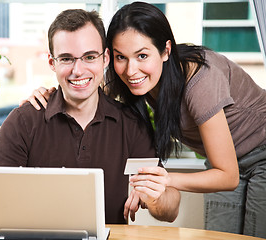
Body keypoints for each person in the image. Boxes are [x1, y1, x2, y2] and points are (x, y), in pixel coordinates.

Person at [25, 2, 266, 238]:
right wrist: (50, 95)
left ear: (166, 51)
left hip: (261, 154)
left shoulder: (200, 80)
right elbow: (85, 94)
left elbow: (228, 175)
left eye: (142, 55)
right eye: (121, 57)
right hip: (222, 161)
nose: (131, 70)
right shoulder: (126, 78)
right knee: (219, 235)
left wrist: (158, 180)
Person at [0, 8, 180, 225]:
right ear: (52, 63)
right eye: (66, 59)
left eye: (89, 57)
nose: (78, 70)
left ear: (105, 58)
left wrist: (153, 197)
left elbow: (171, 209)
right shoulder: (23, 122)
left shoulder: (130, 125)